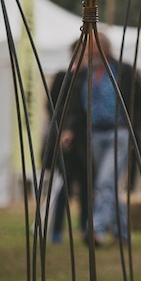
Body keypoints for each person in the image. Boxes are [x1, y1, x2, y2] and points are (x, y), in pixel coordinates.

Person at [62, 32, 141, 248]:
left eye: (95, 46)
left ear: (107, 48)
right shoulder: (85, 75)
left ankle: (97, 230)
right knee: (109, 185)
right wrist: (70, 130)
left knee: (104, 181)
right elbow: (76, 108)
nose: (91, 51)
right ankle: (122, 235)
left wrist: (133, 125)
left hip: (118, 132)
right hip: (94, 134)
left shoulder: (124, 71)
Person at [45, 41, 90, 243]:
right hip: (66, 138)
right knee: (65, 183)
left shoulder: (91, 77)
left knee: (87, 184)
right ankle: (56, 230)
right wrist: (62, 129)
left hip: (86, 137)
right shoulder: (63, 77)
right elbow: (52, 105)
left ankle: (85, 227)